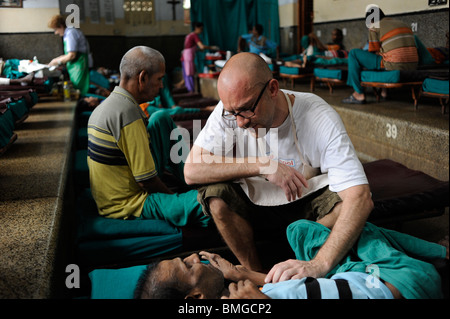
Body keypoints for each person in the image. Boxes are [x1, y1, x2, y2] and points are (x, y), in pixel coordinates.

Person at [184, 52, 373, 273]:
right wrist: (263, 165)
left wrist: (319, 265)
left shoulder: (319, 117)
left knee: (343, 205)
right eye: (233, 113)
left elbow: (360, 197)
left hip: (306, 202)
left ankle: (298, 255)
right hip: (258, 202)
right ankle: (255, 275)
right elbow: (191, 171)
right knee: (215, 196)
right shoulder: (231, 111)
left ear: (273, 89)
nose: (240, 122)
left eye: (247, 110)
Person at [134, 221, 447, 299]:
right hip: (403, 282)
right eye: (187, 266)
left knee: (300, 232)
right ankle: (441, 253)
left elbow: (301, 287)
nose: (192, 257)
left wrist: (240, 274)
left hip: (347, 278)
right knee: (357, 228)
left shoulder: (237, 296)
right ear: (197, 297)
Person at [87, 46, 209, 228]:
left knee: (161, 118)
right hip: (129, 204)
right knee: (213, 201)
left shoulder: (112, 104)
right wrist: (175, 200)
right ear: (142, 77)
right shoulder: (127, 114)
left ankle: (193, 179)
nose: (161, 85)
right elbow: (147, 181)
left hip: (121, 187)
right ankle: (193, 191)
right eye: (159, 79)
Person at [342, 4, 419, 104]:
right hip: (413, 64)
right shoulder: (403, 24)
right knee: (385, 55)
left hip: (394, 64)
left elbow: (373, 51)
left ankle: (358, 94)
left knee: (353, 54)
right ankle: (384, 92)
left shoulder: (374, 26)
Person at [48, 14, 91, 96]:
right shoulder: (67, 34)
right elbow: (68, 53)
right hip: (75, 65)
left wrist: (58, 62)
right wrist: (56, 60)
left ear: (61, 26)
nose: (55, 32)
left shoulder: (71, 33)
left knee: (80, 90)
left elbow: (71, 55)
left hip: (79, 65)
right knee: (77, 89)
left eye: (56, 29)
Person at [181, 22, 218, 93]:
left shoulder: (189, 35)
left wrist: (199, 49)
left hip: (185, 55)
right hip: (188, 56)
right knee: (190, 73)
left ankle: (189, 89)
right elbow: (201, 46)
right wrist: (212, 47)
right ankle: (191, 90)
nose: (201, 31)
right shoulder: (194, 35)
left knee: (188, 73)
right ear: (197, 28)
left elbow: (192, 47)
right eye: (201, 29)